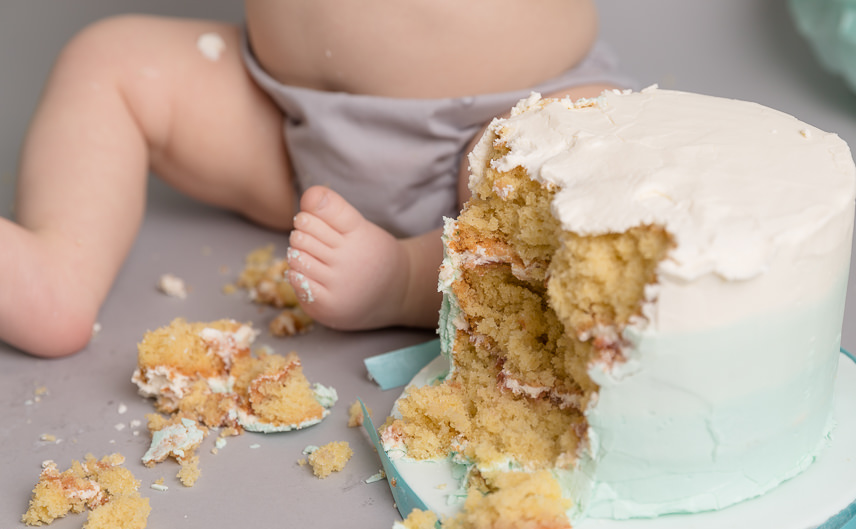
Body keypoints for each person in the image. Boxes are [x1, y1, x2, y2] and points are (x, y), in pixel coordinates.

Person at [0, 0, 626, 358]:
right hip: (284, 121)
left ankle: (407, 280)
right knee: (112, 61)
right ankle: (61, 269)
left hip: (520, 108)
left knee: (559, 178)